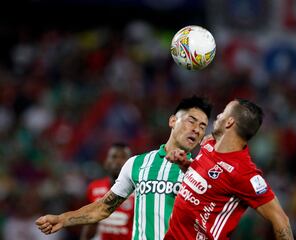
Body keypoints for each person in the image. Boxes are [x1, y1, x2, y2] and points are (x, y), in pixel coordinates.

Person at [36, 95, 212, 240]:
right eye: (192, 121)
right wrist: (62, 219)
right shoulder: (137, 164)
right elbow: (103, 208)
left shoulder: (202, 171)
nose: (196, 129)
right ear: (173, 121)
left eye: (202, 126)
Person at [164, 99, 293, 240]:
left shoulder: (244, 173)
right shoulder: (209, 143)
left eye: (223, 112)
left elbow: (282, 221)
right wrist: (185, 164)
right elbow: (208, 181)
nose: (218, 116)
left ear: (229, 122)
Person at [80, 142, 133, 240]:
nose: (118, 161)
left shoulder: (139, 192)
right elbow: (89, 222)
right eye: (114, 157)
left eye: (123, 157)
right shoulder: (94, 187)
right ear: (106, 162)